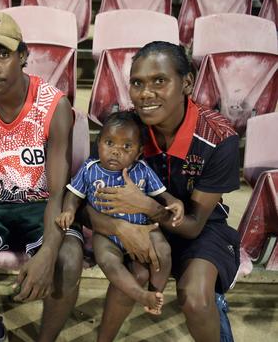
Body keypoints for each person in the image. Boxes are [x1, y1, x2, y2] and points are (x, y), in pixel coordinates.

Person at [86, 41, 241, 342]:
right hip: (136, 222)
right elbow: (86, 203)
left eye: (160, 81)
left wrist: (146, 205)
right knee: (133, 277)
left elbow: (194, 225)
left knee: (195, 298)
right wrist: (119, 225)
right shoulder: (124, 130)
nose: (146, 93)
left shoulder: (219, 137)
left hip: (201, 227)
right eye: (137, 83)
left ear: (186, 82)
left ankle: (212, 299)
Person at [0, 11, 83, 342]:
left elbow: (55, 193)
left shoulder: (54, 105)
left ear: (23, 56)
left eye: (2, 55)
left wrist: (48, 253)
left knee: (67, 258)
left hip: (42, 205)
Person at [57, 111, 184, 316]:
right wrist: (69, 211)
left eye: (126, 146)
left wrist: (174, 202)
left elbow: (162, 195)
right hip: (106, 234)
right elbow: (74, 195)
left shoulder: (142, 170)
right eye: (109, 143)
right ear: (98, 144)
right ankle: (141, 295)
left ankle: (155, 295)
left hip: (144, 228)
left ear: (139, 152)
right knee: (108, 261)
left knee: (164, 251)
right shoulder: (90, 169)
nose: (116, 151)